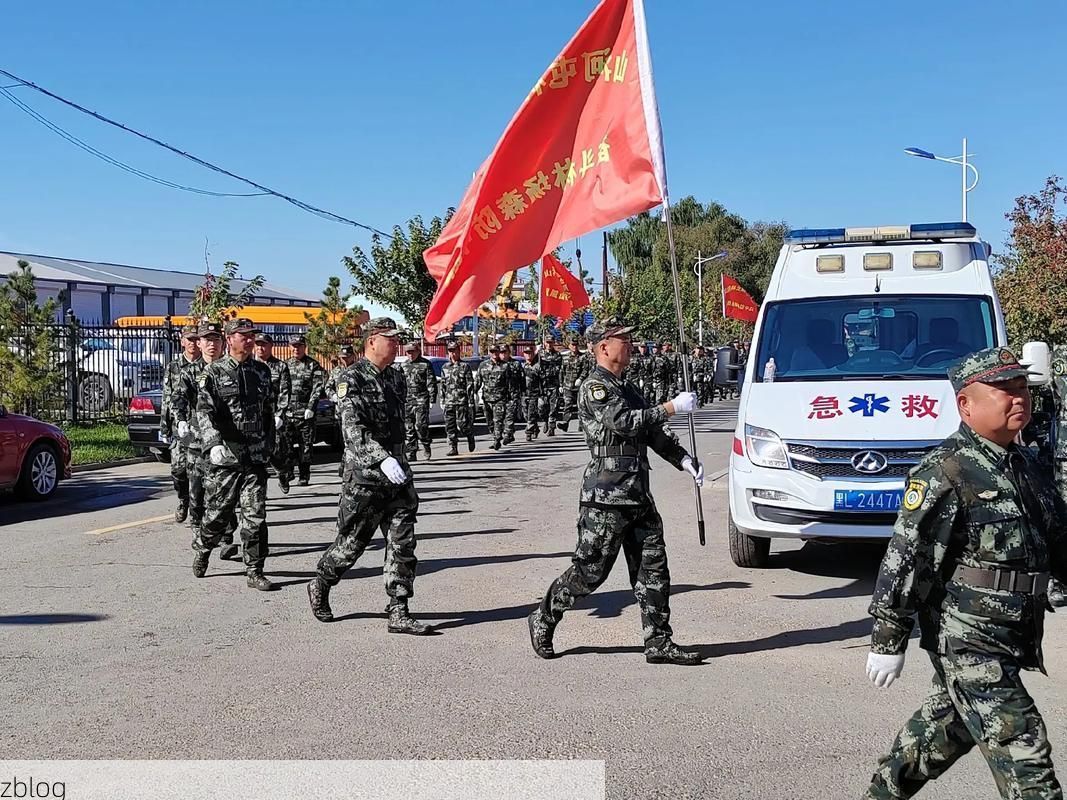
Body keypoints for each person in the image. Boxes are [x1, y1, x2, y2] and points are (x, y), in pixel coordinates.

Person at [863, 346, 1067, 800]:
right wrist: (888, 637)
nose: (1019, 399)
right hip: (969, 638)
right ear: (966, 404)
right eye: (1004, 390)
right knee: (1024, 751)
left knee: (943, 732)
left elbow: (1058, 538)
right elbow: (908, 557)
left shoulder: (1026, 464)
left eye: (1022, 389)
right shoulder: (946, 470)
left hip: (1013, 631)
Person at [528, 316, 705, 665]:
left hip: (638, 494)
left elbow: (651, 432)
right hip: (606, 497)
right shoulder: (596, 387)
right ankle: (544, 615)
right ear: (604, 347)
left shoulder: (628, 388)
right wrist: (671, 407)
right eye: (623, 339)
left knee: (653, 570)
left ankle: (658, 641)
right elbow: (623, 423)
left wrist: (682, 458)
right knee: (589, 572)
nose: (631, 344)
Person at [307, 317, 431, 634]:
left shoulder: (397, 378)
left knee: (403, 544)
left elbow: (399, 425)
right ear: (372, 340)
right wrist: (381, 458)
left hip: (399, 477)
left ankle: (399, 610)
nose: (396, 343)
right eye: (390, 338)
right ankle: (322, 581)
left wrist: (401, 460)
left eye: (398, 338)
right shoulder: (351, 379)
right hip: (365, 478)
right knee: (351, 545)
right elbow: (353, 431)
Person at [192, 318, 277, 590]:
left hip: (254, 458)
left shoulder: (262, 372)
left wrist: (271, 446)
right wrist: (213, 442)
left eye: (251, 335)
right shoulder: (213, 373)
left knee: (255, 515)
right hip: (226, 456)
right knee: (218, 514)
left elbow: (267, 412)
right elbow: (204, 411)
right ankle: (203, 547)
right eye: (243, 336)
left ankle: (255, 569)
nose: (250, 340)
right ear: (229, 339)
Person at [160, 325, 201, 523]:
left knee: (197, 471)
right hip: (179, 426)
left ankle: (195, 508)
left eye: (195, 339)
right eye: (189, 339)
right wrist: (164, 425)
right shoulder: (173, 366)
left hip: (200, 426)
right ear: (182, 341)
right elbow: (167, 397)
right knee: (178, 469)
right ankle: (183, 499)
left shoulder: (207, 366)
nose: (192, 343)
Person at [253, 333, 292, 493]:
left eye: (264, 345)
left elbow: (285, 392)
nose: (260, 348)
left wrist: (279, 414)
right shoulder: (250, 365)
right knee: (256, 456)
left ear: (271, 346)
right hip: (255, 418)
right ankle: (258, 492)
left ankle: (282, 473)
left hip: (274, 417)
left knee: (275, 453)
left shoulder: (280, 367)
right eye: (258, 344)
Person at [285, 334, 325, 487]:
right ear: (290, 347)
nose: (296, 349)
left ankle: (304, 475)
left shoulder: (313, 365)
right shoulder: (286, 365)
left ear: (304, 347)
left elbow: (317, 388)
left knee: (306, 447)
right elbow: (281, 389)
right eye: (294, 346)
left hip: (306, 414)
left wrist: (311, 407)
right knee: (286, 446)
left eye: (299, 346)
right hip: (288, 413)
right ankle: (288, 472)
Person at [401, 341, 438, 462]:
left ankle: (426, 445)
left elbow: (431, 382)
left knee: (421, 426)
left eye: (413, 351)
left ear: (418, 351)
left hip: (421, 399)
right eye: (408, 352)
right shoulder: (403, 366)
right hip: (407, 400)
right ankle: (412, 451)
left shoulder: (425, 364)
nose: (410, 354)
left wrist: (432, 398)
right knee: (409, 428)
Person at [325, 344, 358, 477]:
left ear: (352, 356)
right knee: (345, 440)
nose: (344, 360)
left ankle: (348, 466)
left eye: (347, 357)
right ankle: (346, 465)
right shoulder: (336, 371)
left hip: (357, 411)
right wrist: (332, 396)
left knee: (354, 439)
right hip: (341, 412)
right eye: (342, 357)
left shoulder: (358, 370)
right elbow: (328, 387)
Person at [440, 341, 475, 456]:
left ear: (459, 351)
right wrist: (442, 400)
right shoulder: (445, 367)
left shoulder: (465, 366)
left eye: (454, 350)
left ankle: (469, 435)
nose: (452, 353)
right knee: (450, 426)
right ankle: (453, 447)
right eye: (450, 351)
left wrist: (470, 401)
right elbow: (443, 386)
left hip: (461, 401)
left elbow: (469, 385)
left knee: (463, 425)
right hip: (449, 401)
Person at [475, 344, 511, 450]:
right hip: (487, 398)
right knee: (489, 421)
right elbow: (478, 381)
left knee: (498, 420)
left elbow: (510, 383)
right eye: (492, 351)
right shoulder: (483, 365)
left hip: (500, 398)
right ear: (489, 353)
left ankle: (497, 439)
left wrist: (511, 397)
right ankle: (494, 435)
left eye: (496, 351)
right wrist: (474, 391)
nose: (494, 353)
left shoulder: (505, 366)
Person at [559, 338, 589, 432]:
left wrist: (580, 378)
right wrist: (560, 384)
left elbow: (585, 369)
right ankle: (565, 422)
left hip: (579, 386)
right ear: (569, 346)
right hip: (567, 385)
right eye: (572, 345)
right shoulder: (565, 357)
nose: (574, 347)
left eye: (576, 345)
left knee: (581, 406)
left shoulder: (582, 357)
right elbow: (562, 371)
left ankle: (581, 424)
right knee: (568, 404)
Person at [539, 339, 563, 436]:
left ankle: (552, 426)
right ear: (545, 343)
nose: (549, 344)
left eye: (551, 343)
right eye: (547, 342)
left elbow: (561, 370)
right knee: (542, 407)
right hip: (543, 385)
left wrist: (561, 384)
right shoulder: (540, 354)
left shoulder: (557, 355)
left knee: (554, 407)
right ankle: (545, 420)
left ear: (553, 343)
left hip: (554, 384)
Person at [500, 343, 523, 445]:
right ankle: (510, 434)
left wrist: (521, 392)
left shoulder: (516, 364)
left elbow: (521, 379)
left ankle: (507, 435)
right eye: (501, 352)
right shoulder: (498, 365)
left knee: (509, 416)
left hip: (513, 394)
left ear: (509, 352)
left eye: (505, 352)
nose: (503, 355)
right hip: (500, 395)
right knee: (501, 417)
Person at [522, 344, 544, 441]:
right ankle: (535, 427)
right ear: (524, 355)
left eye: (530, 353)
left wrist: (542, 394)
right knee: (526, 415)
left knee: (531, 414)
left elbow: (542, 381)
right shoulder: (521, 366)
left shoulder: (537, 367)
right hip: (524, 394)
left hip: (534, 394)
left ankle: (529, 432)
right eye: (526, 353)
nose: (528, 355)